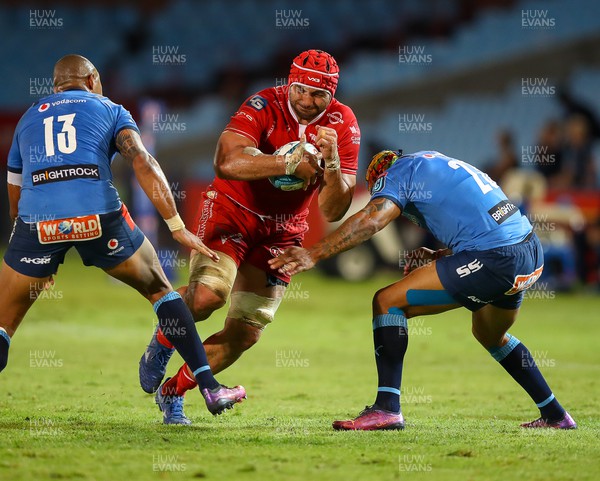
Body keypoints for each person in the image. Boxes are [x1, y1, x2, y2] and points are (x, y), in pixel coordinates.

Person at [0, 54, 246, 421]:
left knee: (4, 324)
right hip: (99, 219)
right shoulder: (111, 109)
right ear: (92, 79)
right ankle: (209, 386)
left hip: (37, 224)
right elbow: (143, 162)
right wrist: (176, 225)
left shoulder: (28, 117)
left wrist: (33, 253)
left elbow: (15, 195)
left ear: (55, 87)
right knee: (162, 290)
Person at [270, 149, 577, 431]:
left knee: (388, 302)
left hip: (495, 258)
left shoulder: (399, 173)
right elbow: (480, 220)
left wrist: (313, 253)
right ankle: (555, 414)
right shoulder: (438, 163)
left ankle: (387, 408)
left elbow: (372, 219)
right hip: (528, 253)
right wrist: (445, 258)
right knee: (490, 334)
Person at [138, 49, 361, 424]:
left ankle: (173, 391)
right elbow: (225, 161)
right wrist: (287, 162)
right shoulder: (263, 103)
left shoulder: (343, 123)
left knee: (246, 332)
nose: (307, 101)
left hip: (283, 230)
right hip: (232, 210)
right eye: (301, 90)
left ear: (332, 96)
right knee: (208, 296)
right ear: (290, 83)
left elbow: (335, 210)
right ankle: (162, 341)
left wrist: (333, 163)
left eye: (318, 95)